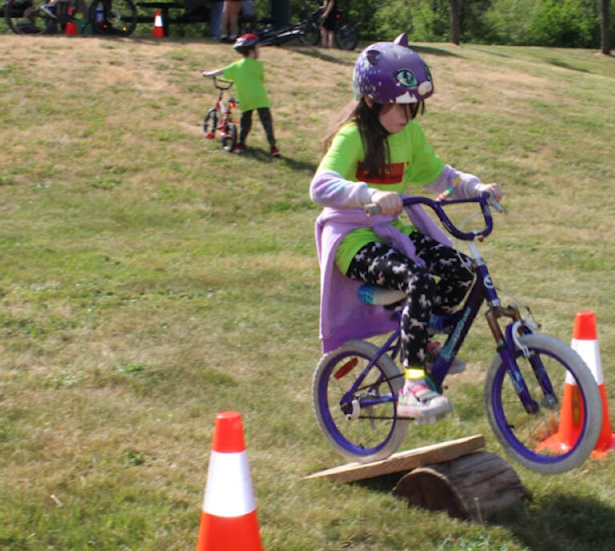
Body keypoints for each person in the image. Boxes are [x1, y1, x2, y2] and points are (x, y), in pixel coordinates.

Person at [310, 34, 502, 421]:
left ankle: (421, 335)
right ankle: (413, 386)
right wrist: (368, 195)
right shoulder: (354, 136)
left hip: (391, 232)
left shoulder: (409, 134)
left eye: (413, 106)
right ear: (370, 100)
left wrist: (474, 186)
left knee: (459, 271)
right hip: (354, 240)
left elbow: (438, 177)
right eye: (400, 106)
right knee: (419, 279)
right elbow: (321, 186)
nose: (407, 115)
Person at [202, 33, 280, 157]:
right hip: (260, 98)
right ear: (251, 51)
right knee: (267, 123)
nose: (259, 51)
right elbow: (260, 79)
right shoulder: (259, 65)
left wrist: (208, 74)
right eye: (258, 49)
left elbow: (221, 71)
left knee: (245, 123)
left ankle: (241, 144)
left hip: (246, 98)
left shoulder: (237, 66)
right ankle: (273, 147)